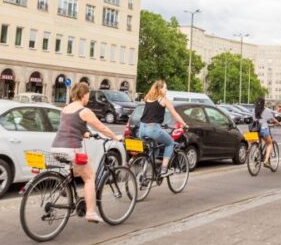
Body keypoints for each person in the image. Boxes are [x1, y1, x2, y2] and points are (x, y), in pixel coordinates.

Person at [51, 81, 122, 223]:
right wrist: (115, 137)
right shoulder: (84, 111)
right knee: (90, 177)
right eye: (88, 95)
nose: (88, 98)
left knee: (78, 170)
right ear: (83, 95)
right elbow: (102, 127)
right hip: (72, 149)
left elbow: (72, 127)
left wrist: (87, 134)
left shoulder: (65, 109)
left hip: (56, 147)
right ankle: (90, 212)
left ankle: (65, 187)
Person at [138, 80, 188, 177]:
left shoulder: (148, 97)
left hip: (141, 129)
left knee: (154, 150)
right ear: (160, 89)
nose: (166, 90)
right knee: (169, 143)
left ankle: (145, 172)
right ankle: (164, 169)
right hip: (153, 129)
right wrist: (184, 124)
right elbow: (174, 114)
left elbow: (150, 113)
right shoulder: (163, 99)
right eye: (165, 88)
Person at [253, 97, 280, 167]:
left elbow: (254, 119)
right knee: (270, 143)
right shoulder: (266, 110)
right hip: (263, 129)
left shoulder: (254, 110)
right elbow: (273, 119)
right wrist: (278, 123)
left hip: (255, 130)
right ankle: (266, 161)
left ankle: (257, 154)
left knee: (259, 142)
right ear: (263, 103)